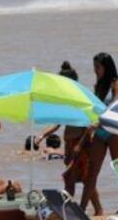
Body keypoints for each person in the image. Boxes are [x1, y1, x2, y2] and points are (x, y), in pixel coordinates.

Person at [33, 62, 89, 200]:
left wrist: (79, 145)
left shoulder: (80, 99)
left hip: (78, 145)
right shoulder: (67, 100)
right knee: (79, 179)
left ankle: (69, 207)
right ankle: (94, 209)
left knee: (74, 179)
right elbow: (58, 122)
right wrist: (42, 135)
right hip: (69, 145)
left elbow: (89, 125)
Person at [83, 52, 118, 215]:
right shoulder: (98, 86)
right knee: (92, 169)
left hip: (115, 130)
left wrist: (99, 121)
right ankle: (82, 208)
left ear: (107, 67)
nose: (95, 70)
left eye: (98, 67)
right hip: (100, 131)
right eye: (94, 67)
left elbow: (116, 103)